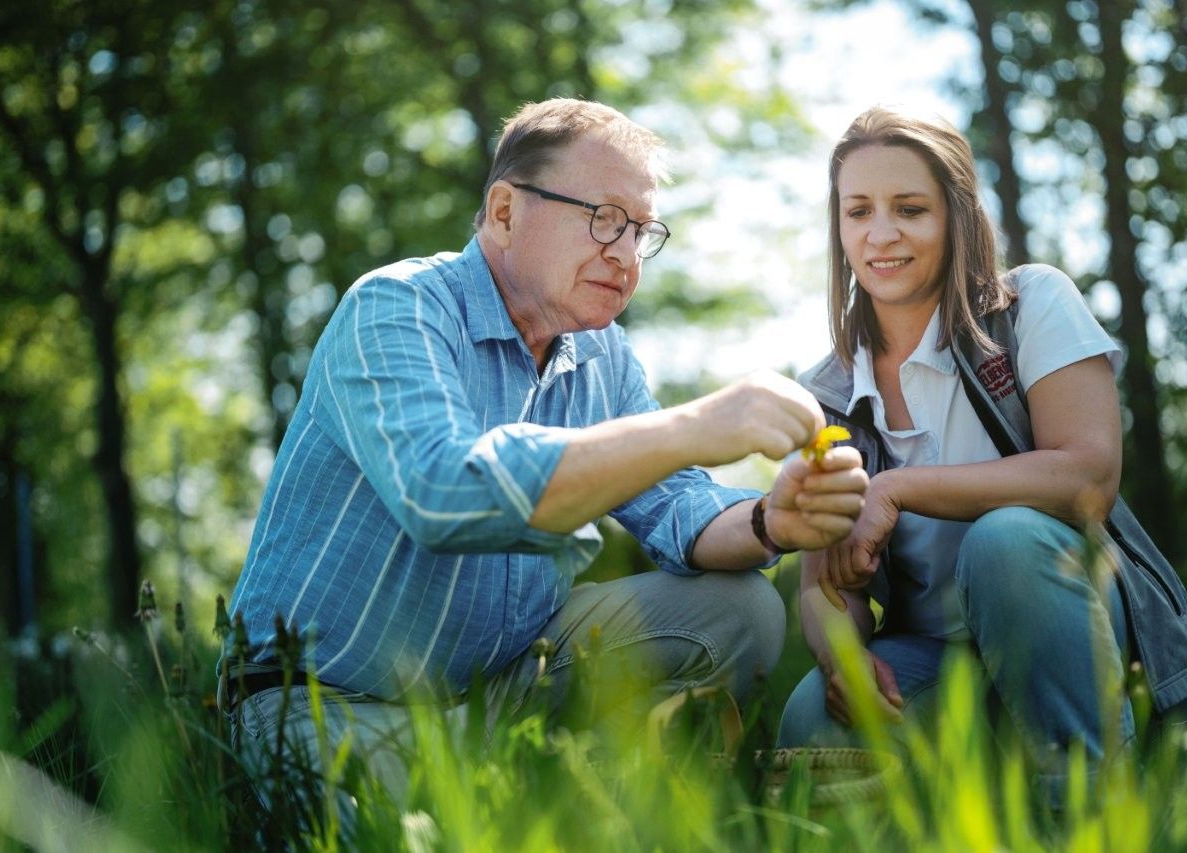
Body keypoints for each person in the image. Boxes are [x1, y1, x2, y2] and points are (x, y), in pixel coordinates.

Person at [221, 98, 869, 806]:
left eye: (642, 233)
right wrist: (694, 425)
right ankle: (548, 789)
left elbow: (676, 503)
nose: (625, 254)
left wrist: (771, 520)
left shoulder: (603, 356)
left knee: (742, 607)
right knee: (404, 833)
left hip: (507, 691)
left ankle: (580, 780)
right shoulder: (395, 307)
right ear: (504, 212)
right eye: (605, 219)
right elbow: (445, 491)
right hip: (327, 700)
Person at [777, 106, 1187, 805]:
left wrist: (897, 488)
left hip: (1078, 631)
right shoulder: (825, 394)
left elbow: (1087, 479)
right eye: (858, 210)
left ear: (955, 216)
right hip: (938, 655)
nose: (880, 234)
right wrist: (846, 658)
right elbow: (823, 582)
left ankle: (1092, 808)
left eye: (910, 209)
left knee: (1005, 540)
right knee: (811, 717)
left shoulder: (1030, 304)